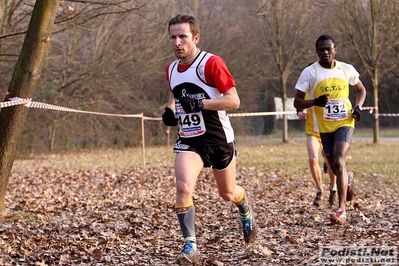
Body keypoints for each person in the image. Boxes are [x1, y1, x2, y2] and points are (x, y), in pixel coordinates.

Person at [162, 14, 258, 265]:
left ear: (195, 37)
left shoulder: (211, 64)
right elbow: (174, 93)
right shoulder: (171, 69)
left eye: (183, 36)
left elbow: (233, 100)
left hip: (218, 139)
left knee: (227, 192)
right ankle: (190, 247)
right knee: (183, 186)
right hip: (190, 140)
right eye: (173, 37)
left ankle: (244, 207)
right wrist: (170, 111)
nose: (177, 42)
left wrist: (201, 104)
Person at [294, 35, 366, 225]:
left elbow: (361, 90)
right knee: (334, 166)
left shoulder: (346, 69)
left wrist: (358, 107)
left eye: (328, 49)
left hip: (345, 122)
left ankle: (341, 210)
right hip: (323, 126)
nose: (325, 52)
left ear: (335, 49)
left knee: (340, 159)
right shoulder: (310, 73)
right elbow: (297, 101)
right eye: (321, 49)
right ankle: (348, 178)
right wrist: (314, 102)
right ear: (316, 51)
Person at [296, 106, 338, 207]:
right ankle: (319, 190)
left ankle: (333, 188)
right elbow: (299, 100)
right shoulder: (306, 90)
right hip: (313, 131)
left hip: (328, 129)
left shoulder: (327, 91)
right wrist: (299, 111)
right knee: (313, 159)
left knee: (330, 158)